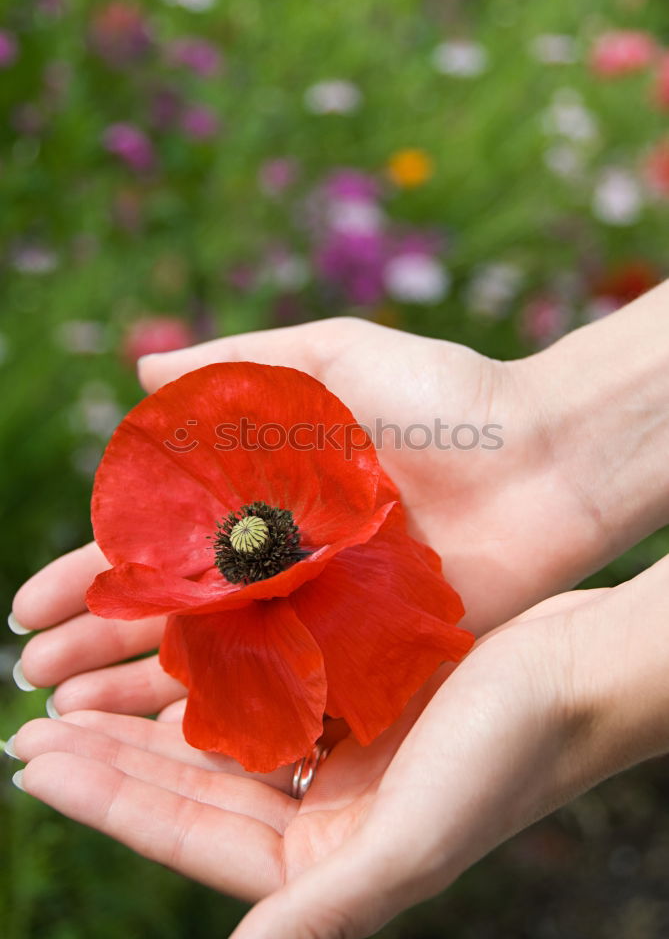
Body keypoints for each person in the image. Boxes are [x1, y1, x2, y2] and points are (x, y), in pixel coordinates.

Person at [5, 282, 669, 939]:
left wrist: (582, 680)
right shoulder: (212, 592)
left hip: (353, 585)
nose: (248, 539)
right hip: (240, 634)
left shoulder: (362, 561)